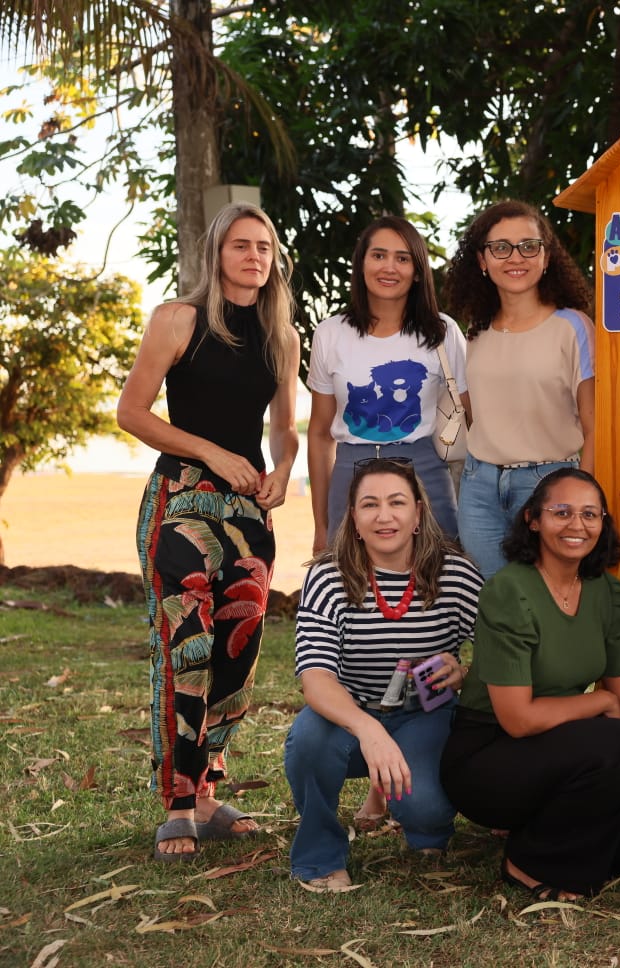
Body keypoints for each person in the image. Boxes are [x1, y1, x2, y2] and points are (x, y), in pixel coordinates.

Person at [116, 202, 301, 861]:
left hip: (249, 512)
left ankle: (207, 793)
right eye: (241, 244)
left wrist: (283, 465)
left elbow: (284, 424)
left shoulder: (283, 334)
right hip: (183, 504)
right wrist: (211, 453)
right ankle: (176, 801)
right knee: (186, 648)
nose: (254, 255)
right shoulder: (178, 319)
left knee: (237, 653)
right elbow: (131, 412)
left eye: (265, 246)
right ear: (217, 253)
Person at [440, 468, 620, 900]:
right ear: (533, 519)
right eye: (562, 512)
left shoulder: (605, 591)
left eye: (590, 514)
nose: (577, 525)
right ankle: (529, 864)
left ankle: (592, 856)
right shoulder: (509, 591)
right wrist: (601, 701)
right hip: (488, 756)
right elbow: (518, 719)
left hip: (559, 744)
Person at [283, 458, 482, 891]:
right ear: (353, 519)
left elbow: (501, 653)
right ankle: (319, 855)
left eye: (397, 502)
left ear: (418, 513)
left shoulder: (456, 574)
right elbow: (316, 676)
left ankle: (424, 826)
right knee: (309, 741)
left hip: (423, 715)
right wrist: (369, 730)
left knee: (427, 809)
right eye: (369, 505)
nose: (384, 515)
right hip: (349, 716)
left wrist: (464, 672)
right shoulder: (326, 575)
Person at [443, 200, 595, 580]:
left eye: (529, 246)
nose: (516, 257)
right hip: (479, 489)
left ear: (546, 257)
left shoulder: (573, 327)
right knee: (494, 608)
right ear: (482, 260)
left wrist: (583, 502)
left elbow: (596, 428)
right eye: (500, 247)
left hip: (550, 486)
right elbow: (478, 413)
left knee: (550, 606)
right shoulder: (476, 332)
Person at [307, 216, 468, 553]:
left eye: (403, 258)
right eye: (378, 255)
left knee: (440, 580)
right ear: (361, 263)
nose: (389, 267)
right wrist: (321, 525)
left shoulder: (442, 332)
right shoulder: (331, 333)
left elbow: (471, 418)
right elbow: (320, 434)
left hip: (424, 468)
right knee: (351, 587)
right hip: (351, 470)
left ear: (418, 270)